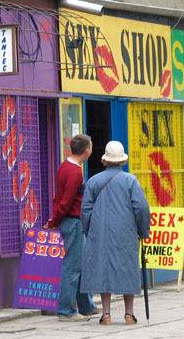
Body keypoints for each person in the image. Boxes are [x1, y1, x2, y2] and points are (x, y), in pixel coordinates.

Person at [80, 141, 150, 325]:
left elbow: (85, 209)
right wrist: (144, 230)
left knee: (104, 269)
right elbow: (141, 207)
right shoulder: (130, 181)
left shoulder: (94, 181)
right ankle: (129, 314)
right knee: (127, 268)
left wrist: (88, 230)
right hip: (125, 231)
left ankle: (106, 314)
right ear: (122, 160)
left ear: (105, 159)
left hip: (100, 231)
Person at [45, 134, 98, 322]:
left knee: (80, 265)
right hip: (73, 222)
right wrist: (54, 221)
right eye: (91, 146)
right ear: (87, 150)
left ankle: (86, 306)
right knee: (72, 267)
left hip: (69, 221)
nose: (91, 149)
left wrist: (55, 219)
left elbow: (60, 197)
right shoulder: (76, 172)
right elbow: (67, 201)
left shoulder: (64, 166)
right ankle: (66, 310)